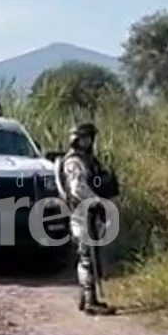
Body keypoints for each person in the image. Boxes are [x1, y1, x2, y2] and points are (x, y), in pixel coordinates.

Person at [58, 121, 119, 315]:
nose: (89, 142)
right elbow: (77, 188)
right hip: (81, 211)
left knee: (91, 254)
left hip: (88, 211)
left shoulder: (87, 159)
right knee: (87, 256)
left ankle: (86, 297)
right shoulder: (74, 161)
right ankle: (90, 300)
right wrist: (96, 201)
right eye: (86, 138)